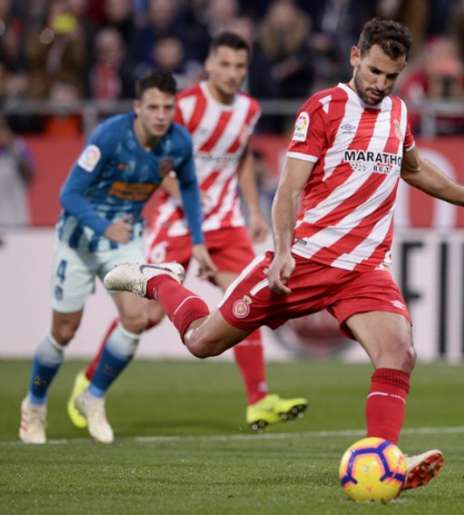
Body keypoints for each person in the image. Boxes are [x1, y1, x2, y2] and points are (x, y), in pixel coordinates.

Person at [105, 19, 464, 491]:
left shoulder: (399, 113)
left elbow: (416, 170)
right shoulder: (323, 108)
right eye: (375, 72)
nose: (381, 85)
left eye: (391, 77)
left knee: (398, 353)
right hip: (305, 260)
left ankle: (386, 461)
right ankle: (157, 278)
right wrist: (281, 251)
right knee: (201, 341)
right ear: (355, 58)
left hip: (365, 269)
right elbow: (289, 189)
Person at [69, 32, 308, 434]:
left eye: (240, 67)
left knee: (245, 302)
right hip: (179, 222)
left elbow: (242, 159)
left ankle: (258, 400)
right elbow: (156, 165)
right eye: (226, 64)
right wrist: (191, 204)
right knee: (147, 316)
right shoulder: (185, 107)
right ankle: (90, 380)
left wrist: (252, 208)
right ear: (209, 66)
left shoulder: (248, 109)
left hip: (228, 222)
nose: (233, 73)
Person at [19, 71, 215, 445]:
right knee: (63, 332)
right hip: (78, 240)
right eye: (153, 107)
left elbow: (188, 187)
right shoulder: (110, 135)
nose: (161, 115)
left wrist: (199, 240)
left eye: (168, 108)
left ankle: (92, 396)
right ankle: (34, 405)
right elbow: (69, 194)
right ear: (137, 107)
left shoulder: (178, 141)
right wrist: (103, 227)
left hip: (123, 243)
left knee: (137, 318)